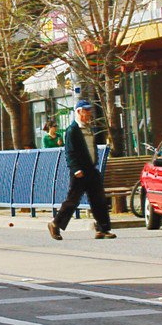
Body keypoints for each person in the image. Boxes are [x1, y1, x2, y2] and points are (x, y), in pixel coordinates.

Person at [49, 101, 114, 241]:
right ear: (78, 112)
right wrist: (75, 168)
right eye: (86, 110)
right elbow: (69, 152)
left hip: (91, 169)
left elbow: (92, 147)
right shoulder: (72, 130)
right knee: (72, 200)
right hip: (79, 171)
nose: (89, 113)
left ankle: (103, 229)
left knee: (99, 200)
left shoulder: (89, 128)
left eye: (89, 110)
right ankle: (55, 224)